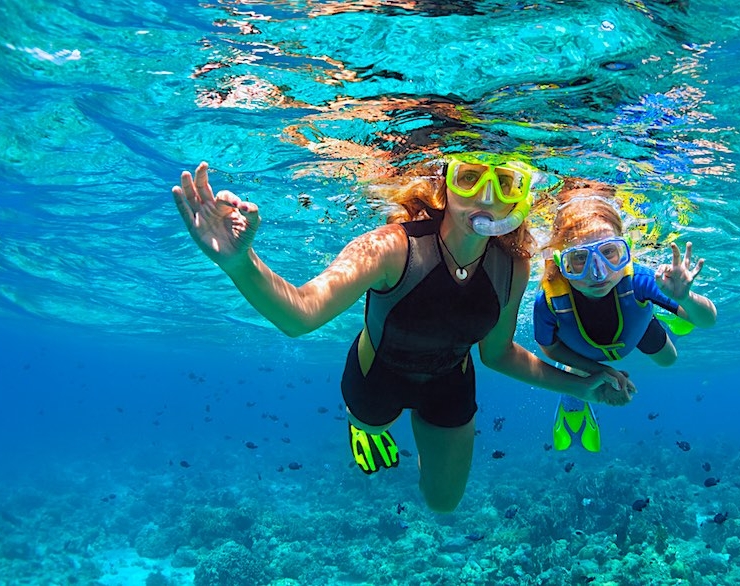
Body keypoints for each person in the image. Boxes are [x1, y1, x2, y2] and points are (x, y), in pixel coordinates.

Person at [171, 154, 631, 512]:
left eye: (506, 183)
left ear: (519, 197)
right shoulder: (393, 246)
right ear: (445, 184)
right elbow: (301, 314)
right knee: (372, 425)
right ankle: (364, 427)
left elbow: (498, 354)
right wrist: (239, 263)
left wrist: (583, 386)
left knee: (443, 503)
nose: (487, 198)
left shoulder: (514, 264)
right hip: (377, 377)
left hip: (450, 381)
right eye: (470, 178)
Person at [533, 179, 717, 452]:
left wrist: (684, 298)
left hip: (636, 326)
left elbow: (708, 320)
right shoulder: (549, 300)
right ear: (561, 263)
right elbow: (549, 349)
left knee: (669, 360)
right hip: (581, 352)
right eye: (579, 260)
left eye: (609, 253)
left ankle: (669, 311)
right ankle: (574, 401)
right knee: (581, 368)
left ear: (626, 251)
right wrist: (600, 371)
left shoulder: (639, 280)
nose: (598, 273)